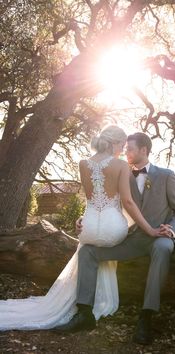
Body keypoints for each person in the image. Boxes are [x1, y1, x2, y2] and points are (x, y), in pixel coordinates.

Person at [0, 125, 162, 332]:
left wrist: (84, 219)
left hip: (88, 226)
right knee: (108, 239)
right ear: (114, 143)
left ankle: (83, 310)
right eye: (122, 145)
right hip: (113, 230)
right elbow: (128, 203)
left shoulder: (83, 163)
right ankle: (100, 303)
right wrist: (149, 229)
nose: (123, 150)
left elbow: (91, 200)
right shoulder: (121, 165)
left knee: (87, 249)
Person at [61, 131, 175, 345]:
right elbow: (102, 201)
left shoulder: (166, 175)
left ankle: (146, 316)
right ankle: (84, 313)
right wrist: (84, 219)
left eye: (130, 148)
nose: (124, 151)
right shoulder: (121, 171)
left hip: (160, 236)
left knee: (163, 249)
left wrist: (172, 229)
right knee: (87, 251)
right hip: (131, 239)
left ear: (144, 150)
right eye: (125, 147)